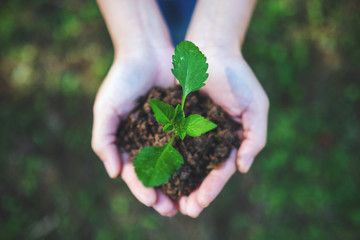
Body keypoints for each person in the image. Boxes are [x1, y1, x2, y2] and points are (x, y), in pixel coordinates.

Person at [91, 0, 269, 218]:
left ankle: (181, 31)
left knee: (183, 23)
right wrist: (138, 44)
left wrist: (216, 41)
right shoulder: (173, 120)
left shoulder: (186, 122)